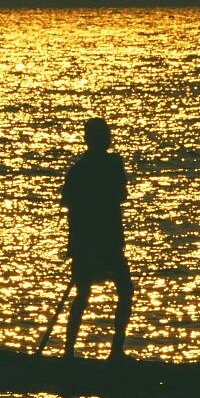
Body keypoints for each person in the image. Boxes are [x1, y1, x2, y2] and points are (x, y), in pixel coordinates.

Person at [60, 117, 134, 360]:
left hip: (96, 241)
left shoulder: (82, 170)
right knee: (114, 291)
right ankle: (106, 351)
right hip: (99, 242)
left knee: (90, 293)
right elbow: (119, 195)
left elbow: (71, 203)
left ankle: (76, 352)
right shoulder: (103, 167)